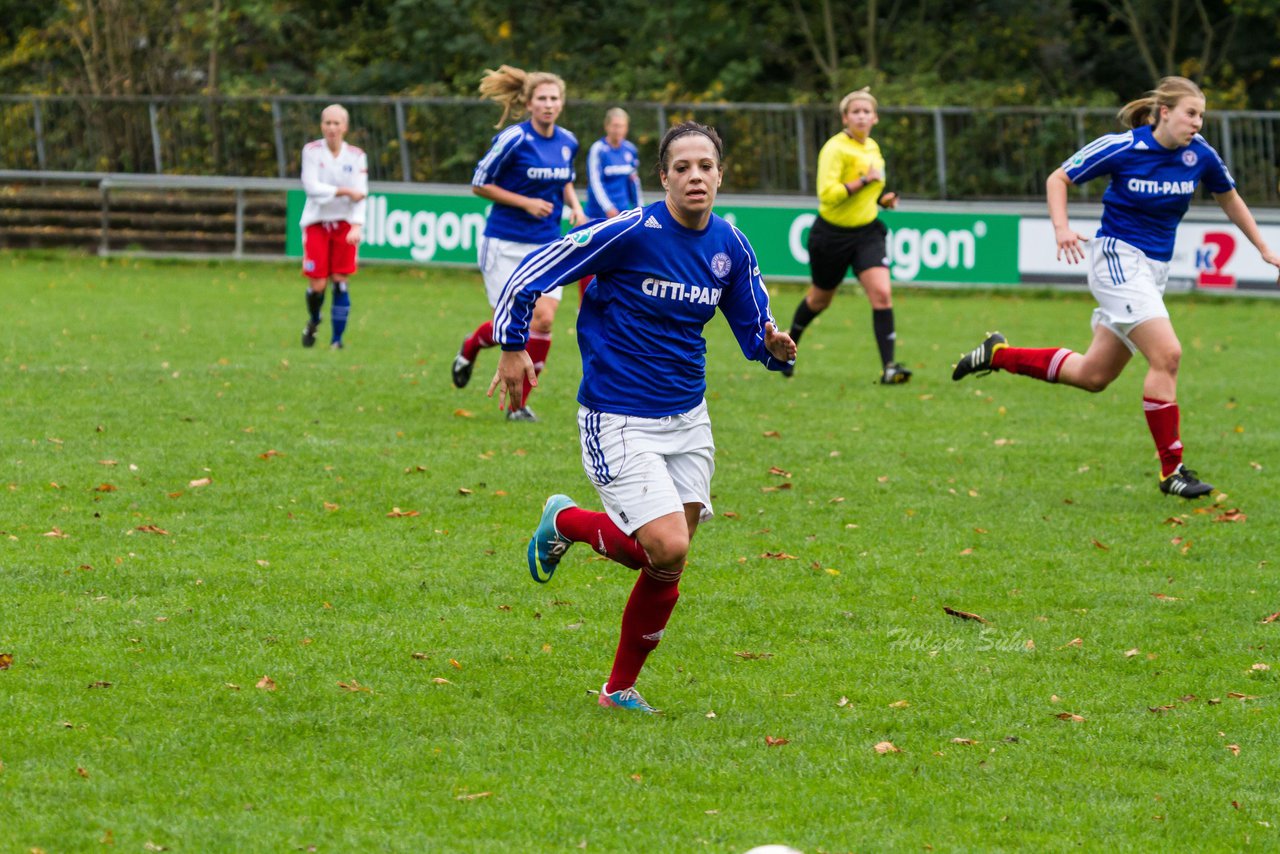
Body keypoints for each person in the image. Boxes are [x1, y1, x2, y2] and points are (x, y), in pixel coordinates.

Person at [488, 121, 796, 714]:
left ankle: (618, 690)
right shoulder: (630, 232)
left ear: (720, 174)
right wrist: (510, 344)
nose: (695, 176)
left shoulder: (730, 246)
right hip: (619, 416)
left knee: (664, 559)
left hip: (689, 418)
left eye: (705, 166)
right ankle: (568, 521)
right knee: (667, 547)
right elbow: (532, 270)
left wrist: (770, 346)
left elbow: (753, 319)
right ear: (663, 177)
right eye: (682, 167)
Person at [952, 76, 1280, 498]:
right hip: (1117, 260)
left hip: (1152, 272)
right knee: (1168, 354)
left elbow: (1229, 197)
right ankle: (1172, 471)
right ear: (1164, 113)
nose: (1198, 123)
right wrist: (1061, 228)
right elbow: (1058, 178)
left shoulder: (1201, 156)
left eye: (1202, 115)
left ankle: (998, 354)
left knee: (1094, 375)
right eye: (1191, 114)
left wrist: (1264, 248)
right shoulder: (1122, 146)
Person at [450, 65, 586, 422]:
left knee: (543, 320)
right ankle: (472, 344)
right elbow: (479, 183)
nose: (548, 104)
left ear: (561, 103)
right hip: (505, 244)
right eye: (541, 98)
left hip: (547, 244)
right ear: (528, 103)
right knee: (508, 327)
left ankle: (518, 405)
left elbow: (565, 179)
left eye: (554, 98)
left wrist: (574, 207)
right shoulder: (514, 139)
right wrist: (524, 202)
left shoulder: (568, 141)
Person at [781, 87, 907, 383]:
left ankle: (889, 368)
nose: (861, 116)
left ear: (875, 118)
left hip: (867, 232)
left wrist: (882, 200)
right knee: (819, 299)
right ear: (845, 118)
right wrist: (864, 181)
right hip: (831, 236)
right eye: (856, 112)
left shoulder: (873, 148)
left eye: (867, 112)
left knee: (882, 294)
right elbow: (828, 195)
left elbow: (868, 194)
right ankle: (788, 345)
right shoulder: (835, 149)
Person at [299, 104, 368, 350]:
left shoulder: (357, 156)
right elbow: (311, 188)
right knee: (317, 284)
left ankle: (337, 341)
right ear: (321, 126)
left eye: (336, 123)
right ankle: (314, 320)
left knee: (340, 280)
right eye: (327, 123)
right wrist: (343, 191)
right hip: (316, 224)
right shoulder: (311, 151)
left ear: (345, 127)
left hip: (344, 225)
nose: (332, 128)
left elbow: (361, 194)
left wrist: (357, 226)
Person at [579, 107, 643, 301]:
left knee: (623, 258)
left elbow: (634, 181)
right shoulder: (598, 149)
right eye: (615, 126)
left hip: (623, 214)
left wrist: (639, 207)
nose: (618, 130)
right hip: (599, 214)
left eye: (622, 126)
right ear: (607, 126)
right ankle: (586, 301)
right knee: (591, 258)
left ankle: (617, 299)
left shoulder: (630, 150)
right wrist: (608, 208)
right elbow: (595, 181)